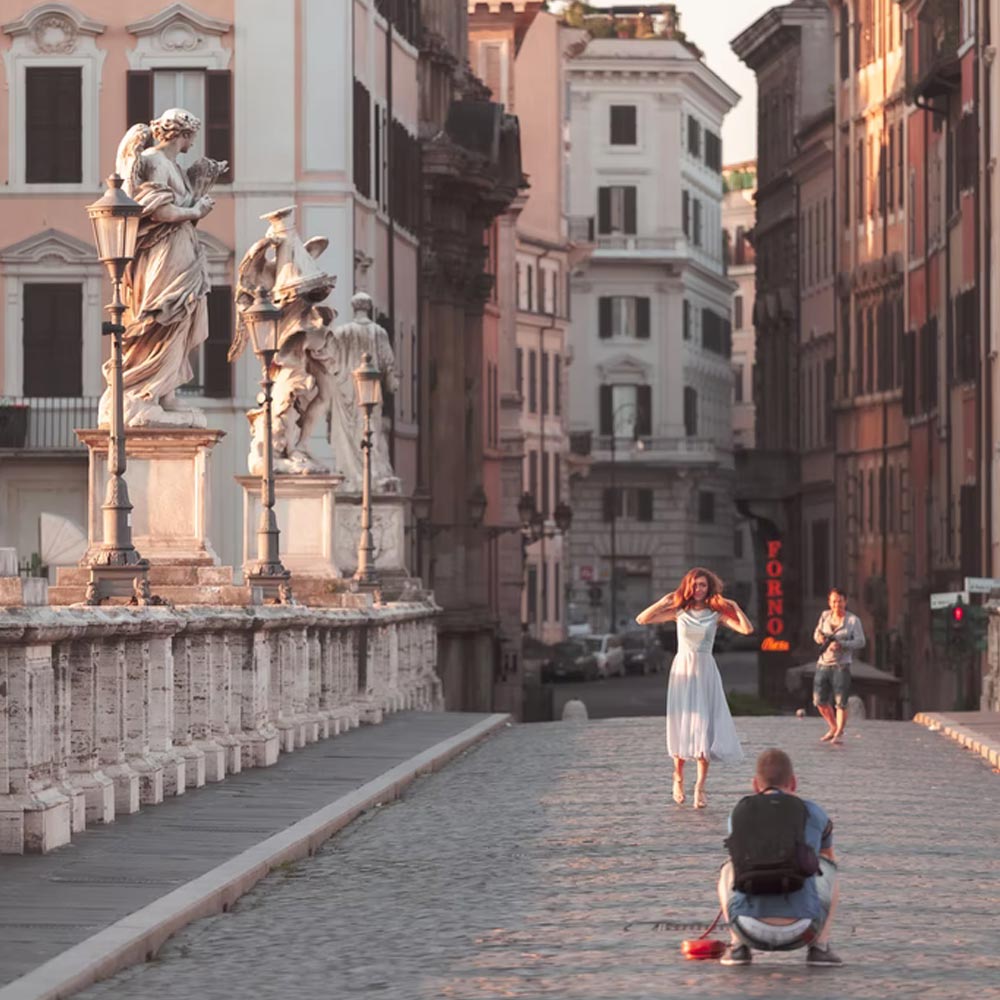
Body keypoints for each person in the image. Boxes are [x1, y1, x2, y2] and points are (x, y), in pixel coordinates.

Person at [109, 108, 227, 428]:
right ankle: (146, 388)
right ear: (183, 134)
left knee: (182, 315)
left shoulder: (172, 165)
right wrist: (197, 209)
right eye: (192, 136)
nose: (193, 142)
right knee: (165, 313)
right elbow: (159, 211)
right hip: (165, 251)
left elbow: (175, 206)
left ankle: (165, 390)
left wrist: (199, 186)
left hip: (181, 247)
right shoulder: (156, 161)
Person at [636, 568, 753, 808]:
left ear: (709, 588)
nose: (699, 589)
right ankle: (678, 776)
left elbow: (747, 630)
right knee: (683, 724)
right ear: (688, 587)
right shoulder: (680, 612)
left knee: (704, 728)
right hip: (682, 671)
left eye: (703, 585)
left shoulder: (716, 614)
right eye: (695, 585)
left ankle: (700, 786)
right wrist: (662, 602)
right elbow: (642, 619)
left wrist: (735, 607)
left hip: (706, 670)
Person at [717, 748, 842, 967]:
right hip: (803, 929)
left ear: (755, 785)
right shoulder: (812, 811)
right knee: (828, 867)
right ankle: (820, 948)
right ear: (793, 783)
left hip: (748, 928)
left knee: (729, 868)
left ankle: (737, 947)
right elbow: (829, 858)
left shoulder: (739, 812)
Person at [812, 588, 865, 743]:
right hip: (823, 663)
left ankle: (839, 732)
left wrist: (843, 644)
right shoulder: (824, 616)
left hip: (841, 665)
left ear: (845, 602)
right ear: (830, 603)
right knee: (819, 700)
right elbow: (816, 634)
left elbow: (861, 641)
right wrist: (820, 638)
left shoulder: (853, 621)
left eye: (840, 601)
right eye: (834, 601)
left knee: (840, 701)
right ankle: (833, 726)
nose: (837, 605)